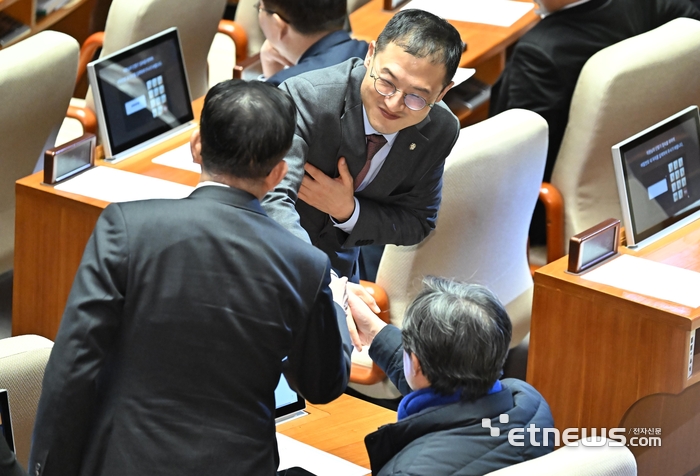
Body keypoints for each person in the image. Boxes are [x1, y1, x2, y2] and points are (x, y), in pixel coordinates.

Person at [28, 80, 353, 476]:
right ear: (278, 174)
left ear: (196, 145)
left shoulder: (129, 228)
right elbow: (322, 385)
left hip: (125, 461)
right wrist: (335, 303)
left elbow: (74, 366)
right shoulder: (305, 265)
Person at [262, 9, 463, 281]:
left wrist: (348, 211)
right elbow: (271, 198)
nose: (393, 104)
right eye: (386, 83)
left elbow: (417, 222)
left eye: (416, 97)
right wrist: (321, 282)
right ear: (370, 55)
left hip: (344, 266)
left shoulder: (440, 129)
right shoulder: (307, 98)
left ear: (443, 92)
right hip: (272, 259)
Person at [349, 276, 555, 475]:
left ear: (416, 363)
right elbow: (441, 395)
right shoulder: (531, 404)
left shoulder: (408, 470)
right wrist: (376, 333)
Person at [490, 0, 700, 186]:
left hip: (563, 203)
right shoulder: (657, 6)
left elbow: (517, 160)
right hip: (667, 162)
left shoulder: (539, 54)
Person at [256, 0, 369, 86]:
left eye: (260, 8)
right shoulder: (371, 53)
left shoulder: (285, 87)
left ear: (278, 25)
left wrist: (271, 84)